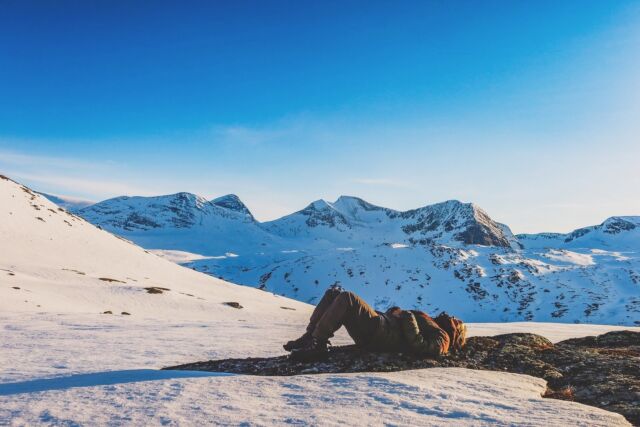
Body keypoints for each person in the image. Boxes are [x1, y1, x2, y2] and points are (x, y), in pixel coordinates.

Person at [284, 285, 467, 360]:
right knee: (334, 293)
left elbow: (422, 347)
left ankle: (319, 344)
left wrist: (407, 316)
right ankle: (311, 336)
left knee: (348, 298)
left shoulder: (444, 337)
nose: (452, 317)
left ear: (456, 332)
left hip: (381, 333)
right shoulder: (433, 323)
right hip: (381, 328)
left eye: (457, 321)